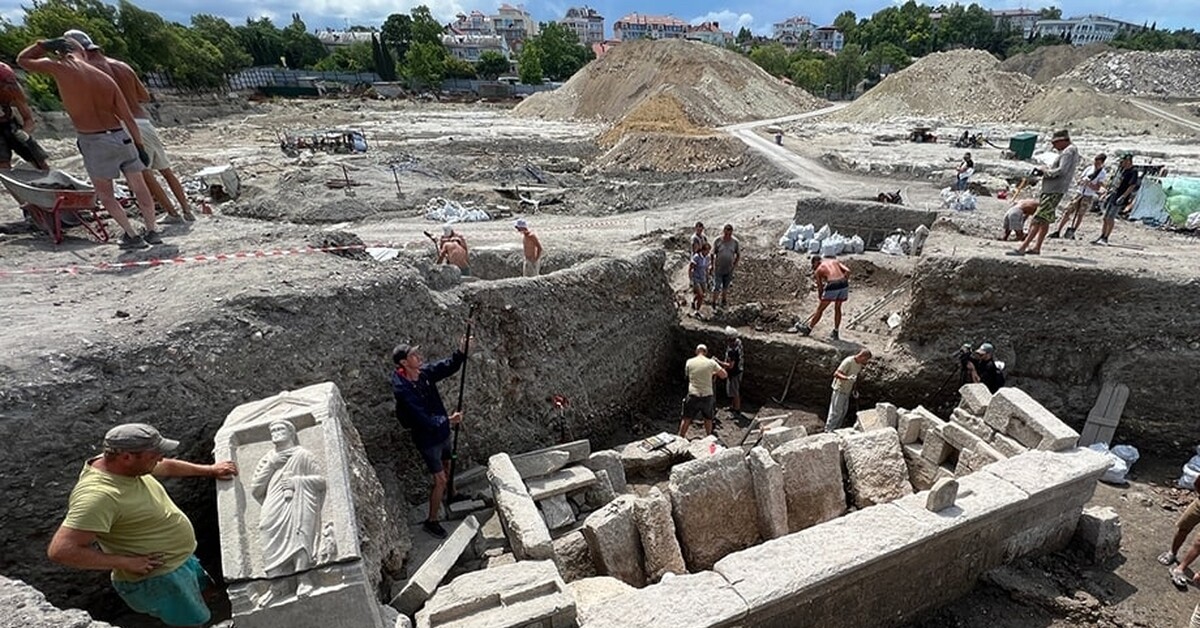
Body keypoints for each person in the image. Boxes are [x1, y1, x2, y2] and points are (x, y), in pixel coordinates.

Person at [47, 423, 238, 627]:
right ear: (127, 457)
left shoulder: (126, 467)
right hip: (161, 578)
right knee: (191, 621)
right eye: (154, 455)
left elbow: (167, 466)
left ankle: (205, 605)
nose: (160, 458)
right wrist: (126, 562)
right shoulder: (98, 496)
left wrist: (210, 470)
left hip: (181, 560)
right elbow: (61, 550)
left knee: (206, 593)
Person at [18, 37, 161, 249]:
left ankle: (132, 235)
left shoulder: (60, 67)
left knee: (105, 194)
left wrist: (42, 45)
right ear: (83, 52)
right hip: (120, 136)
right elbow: (128, 118)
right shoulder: (105, 79)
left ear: (61, 52)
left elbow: (23, 60)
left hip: (93, 139)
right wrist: (139, 147)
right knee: (140, 187)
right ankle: (152, 231)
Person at [64, 29, 194, 222]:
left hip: (124, 125)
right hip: (144, 122)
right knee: (166, 170)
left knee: (144, 173)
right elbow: (144, 96)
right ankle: (186, 210)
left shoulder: (89, 71)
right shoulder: (123, 66)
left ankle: (172, 214)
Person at [391, 336, 470, 539]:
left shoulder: (423, 373)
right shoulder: (403, 389)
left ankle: (452, 494)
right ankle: (432, 520)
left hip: (442, 433)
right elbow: (422, 419)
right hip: (427, 440)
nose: (419, 357)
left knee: (448, 463)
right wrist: (449, 420)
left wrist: (461, 352)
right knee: (440, 479)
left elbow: (446, 367)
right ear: (403, 363)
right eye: (413, 356)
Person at [1008, 129, 1080, 257]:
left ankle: (1023, 248)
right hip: (1054, 189)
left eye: (1055, 143)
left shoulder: (1068, 151)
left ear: (1062, 141)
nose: (1054, 146)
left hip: (1054, 190)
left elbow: (1061, 171)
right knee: (1044, 221)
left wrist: (1045, 171)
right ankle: (1037, 247)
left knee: (1037, 219)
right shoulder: (1070, 151)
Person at [0, 61, 49, 170]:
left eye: (10, 84)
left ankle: (48, 178)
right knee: (3, 164)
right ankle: (11, 183)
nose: (7, 88)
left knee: (37, 157)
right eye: (3, 85)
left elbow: (28, 119)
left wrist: (25, 133)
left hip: (10, 123)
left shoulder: (14, 90)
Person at [789, 255, 851, 340]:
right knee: (838, 308)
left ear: (815, 262)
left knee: (820, 309)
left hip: (833, 285)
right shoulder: (834, 261)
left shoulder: (818, 270)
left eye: (813, 265)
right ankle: (836, 332)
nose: (813, 268)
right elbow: (848, 271)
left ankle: (808, 329)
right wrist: (842, 281)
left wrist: (821, 297)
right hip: (844, 284)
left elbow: (820, 287)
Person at [1050, 153, 1107, 240]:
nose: (1095, 164)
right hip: (1079, 193)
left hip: (1088, 195)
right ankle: (1058, 230)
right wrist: (1082, 181)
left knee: (1080, 214)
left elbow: (1097, 188)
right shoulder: (1089, 168)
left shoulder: (1102, 173)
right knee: (1068, 211)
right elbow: (1080, 178)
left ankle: (1072, 231)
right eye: (1095, 161)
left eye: (1098, 162)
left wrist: (1089, 184)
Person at [678, 343, 727, 438]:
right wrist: (712, 373)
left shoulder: (689, 361)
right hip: (707, 395)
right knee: (708, 418)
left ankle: (681, 438)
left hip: (693, 394)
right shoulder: (711, 363)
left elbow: (688, 375)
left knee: (686, 418)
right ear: (706, 352)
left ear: (696, 351)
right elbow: (724, 375)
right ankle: (709, 438)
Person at [1094, 152, 1139, 246]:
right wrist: (1106, 192)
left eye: (1123, 161)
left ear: (1128, 161)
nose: (1121, 163)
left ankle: (1106, 237)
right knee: (1105, 217)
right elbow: (1114, 181)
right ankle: (1102, 235)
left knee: (1111, 217)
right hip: (1112, 194)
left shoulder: (1133, 171)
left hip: (1120, 196)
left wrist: (1124, 196)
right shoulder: (1121, 169)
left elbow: (1132, 185)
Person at [826, 350, 871, 432]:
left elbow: (854, 378)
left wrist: (854, 389)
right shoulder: (848, 361)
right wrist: (847, 378)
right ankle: (829, 430)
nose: (866, 362)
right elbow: (836, 373)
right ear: (862, 356)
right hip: (839, 389)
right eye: (866, 360)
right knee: (836, 412)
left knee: (843, 412)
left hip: (847, 391)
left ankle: (836, 430)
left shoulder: (859, 365)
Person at [710, 224, 740, 308]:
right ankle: (714, 302)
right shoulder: (718, 241)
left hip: (729, 268)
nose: (728, 236)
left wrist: (734, 265)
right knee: (716, 286)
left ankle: (723, 300)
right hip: (718, 268)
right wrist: (711, 265)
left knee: (725, 286)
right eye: (726, 234)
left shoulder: (735, 242)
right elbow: (712, 253)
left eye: (729, 234)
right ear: (723, 232)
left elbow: (738, 254)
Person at [719, 326, 744, 416]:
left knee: (735, 391)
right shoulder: (738, 342)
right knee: (733, 390)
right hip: (739, 370)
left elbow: (730, 365)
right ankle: (733, 406)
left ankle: (737, 410)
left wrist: (719, 362)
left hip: (735, 373)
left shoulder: (732, 351)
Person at [688, 241, 711, 313]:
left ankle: (693, 300)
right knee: (700, 295)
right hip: (696, 278)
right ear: (703, 250)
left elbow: (706, 269)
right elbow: (690, 268)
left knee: (701, 294)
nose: (707, 252)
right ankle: (697, 311)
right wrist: (691, 280)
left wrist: (708, 278)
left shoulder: (707, 258)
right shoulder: (697, 257)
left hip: (703, 278)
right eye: (706, 250)